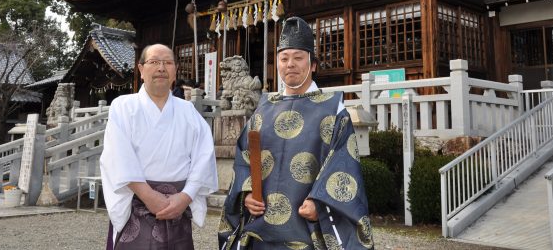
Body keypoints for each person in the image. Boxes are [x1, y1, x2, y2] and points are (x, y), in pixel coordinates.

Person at [218, 17, 374, 249]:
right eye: (284, 58)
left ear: (312, 65)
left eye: (298, 58)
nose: (290, 64)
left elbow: (343, 164)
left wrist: (322, 205)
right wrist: (246, 196)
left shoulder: (333, 109)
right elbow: (244, 159)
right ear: (278, 64)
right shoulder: (263, 108)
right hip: (260, 232)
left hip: (308, 231)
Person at [100, 43, 218, 249]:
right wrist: (149, 196)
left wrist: (185, 196)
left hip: (178, 206)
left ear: (175, 70)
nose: (161, 68)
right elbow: (118, 156)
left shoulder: (188, 111)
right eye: (154, 62)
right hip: (136, 203)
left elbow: (203, 157)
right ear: (141, 69)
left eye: (168, 63)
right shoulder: (123, 106)